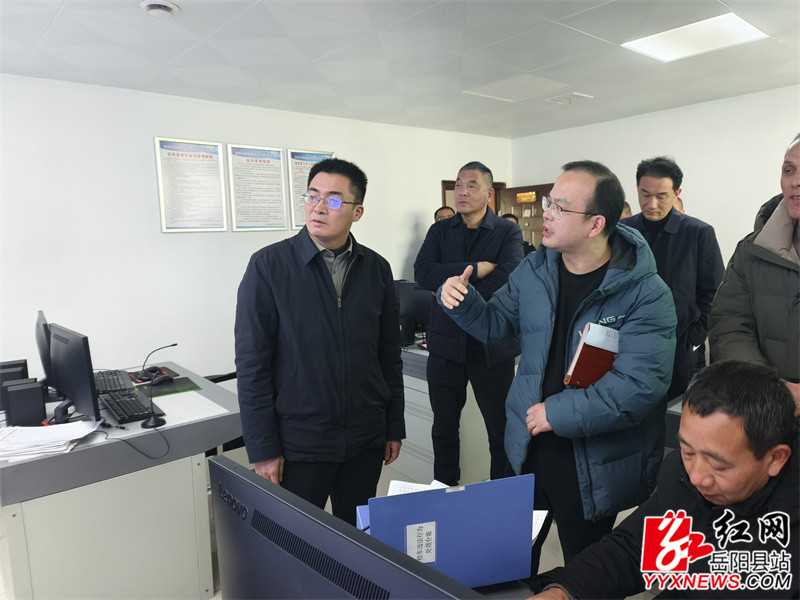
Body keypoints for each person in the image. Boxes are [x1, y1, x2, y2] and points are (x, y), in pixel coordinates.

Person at [439, 160, 676, 574]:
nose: (546, 213)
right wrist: (463, 301)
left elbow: (640, 386)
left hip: (590, 458)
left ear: (595, 224)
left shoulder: (645, 293)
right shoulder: (536, 269)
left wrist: (557, 413)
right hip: (526, 445)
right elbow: (494, 324)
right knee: (509, 563)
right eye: (549, 202)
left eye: (559, 208)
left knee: (584, 572)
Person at [530, 360, 798, 600]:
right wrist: (564, 592)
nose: (697, 477)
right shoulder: (681, 477)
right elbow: (635, 549)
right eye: (688, 452)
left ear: (775, 458)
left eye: (718, 465)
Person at [234, 158, 405, 526]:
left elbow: (388, 356)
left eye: (333, 199)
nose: (318, 207)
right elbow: (252, 365)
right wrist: (263, 449)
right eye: (312, 196)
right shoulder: (269, 266)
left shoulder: (376, 268)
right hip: (299, 443)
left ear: (357, 212)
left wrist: (393, 426)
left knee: (356, 537)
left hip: (365, 438)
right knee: (294, 540)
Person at [414, 161, 523, 486]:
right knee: (443, 429)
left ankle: (501, 496)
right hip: (445, 345)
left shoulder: (507, 231)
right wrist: (475, 268)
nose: (461, 191)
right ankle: (444, 493)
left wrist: (450, 290)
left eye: (471, 185)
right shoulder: (440, 231)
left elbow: (508, 279)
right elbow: (422, 273)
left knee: (500, 430)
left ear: (489, 193)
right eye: (458, 185)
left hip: (492, 346)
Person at [709, 134, 800, 415]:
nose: (796, 181)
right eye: (789, 170)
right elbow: (729, 325)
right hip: (765, 414)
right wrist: (769, 389)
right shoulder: (752, 251)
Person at [621, 156, 724, 399]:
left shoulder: (698, 233)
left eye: (662, 196)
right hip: (629, 345)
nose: (652, 204)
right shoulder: (623, 232)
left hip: (680, 348)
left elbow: (715, 295)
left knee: (673, 414)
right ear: (637, 188)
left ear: (677, 193)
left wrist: (693, 339)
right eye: (645, 194)